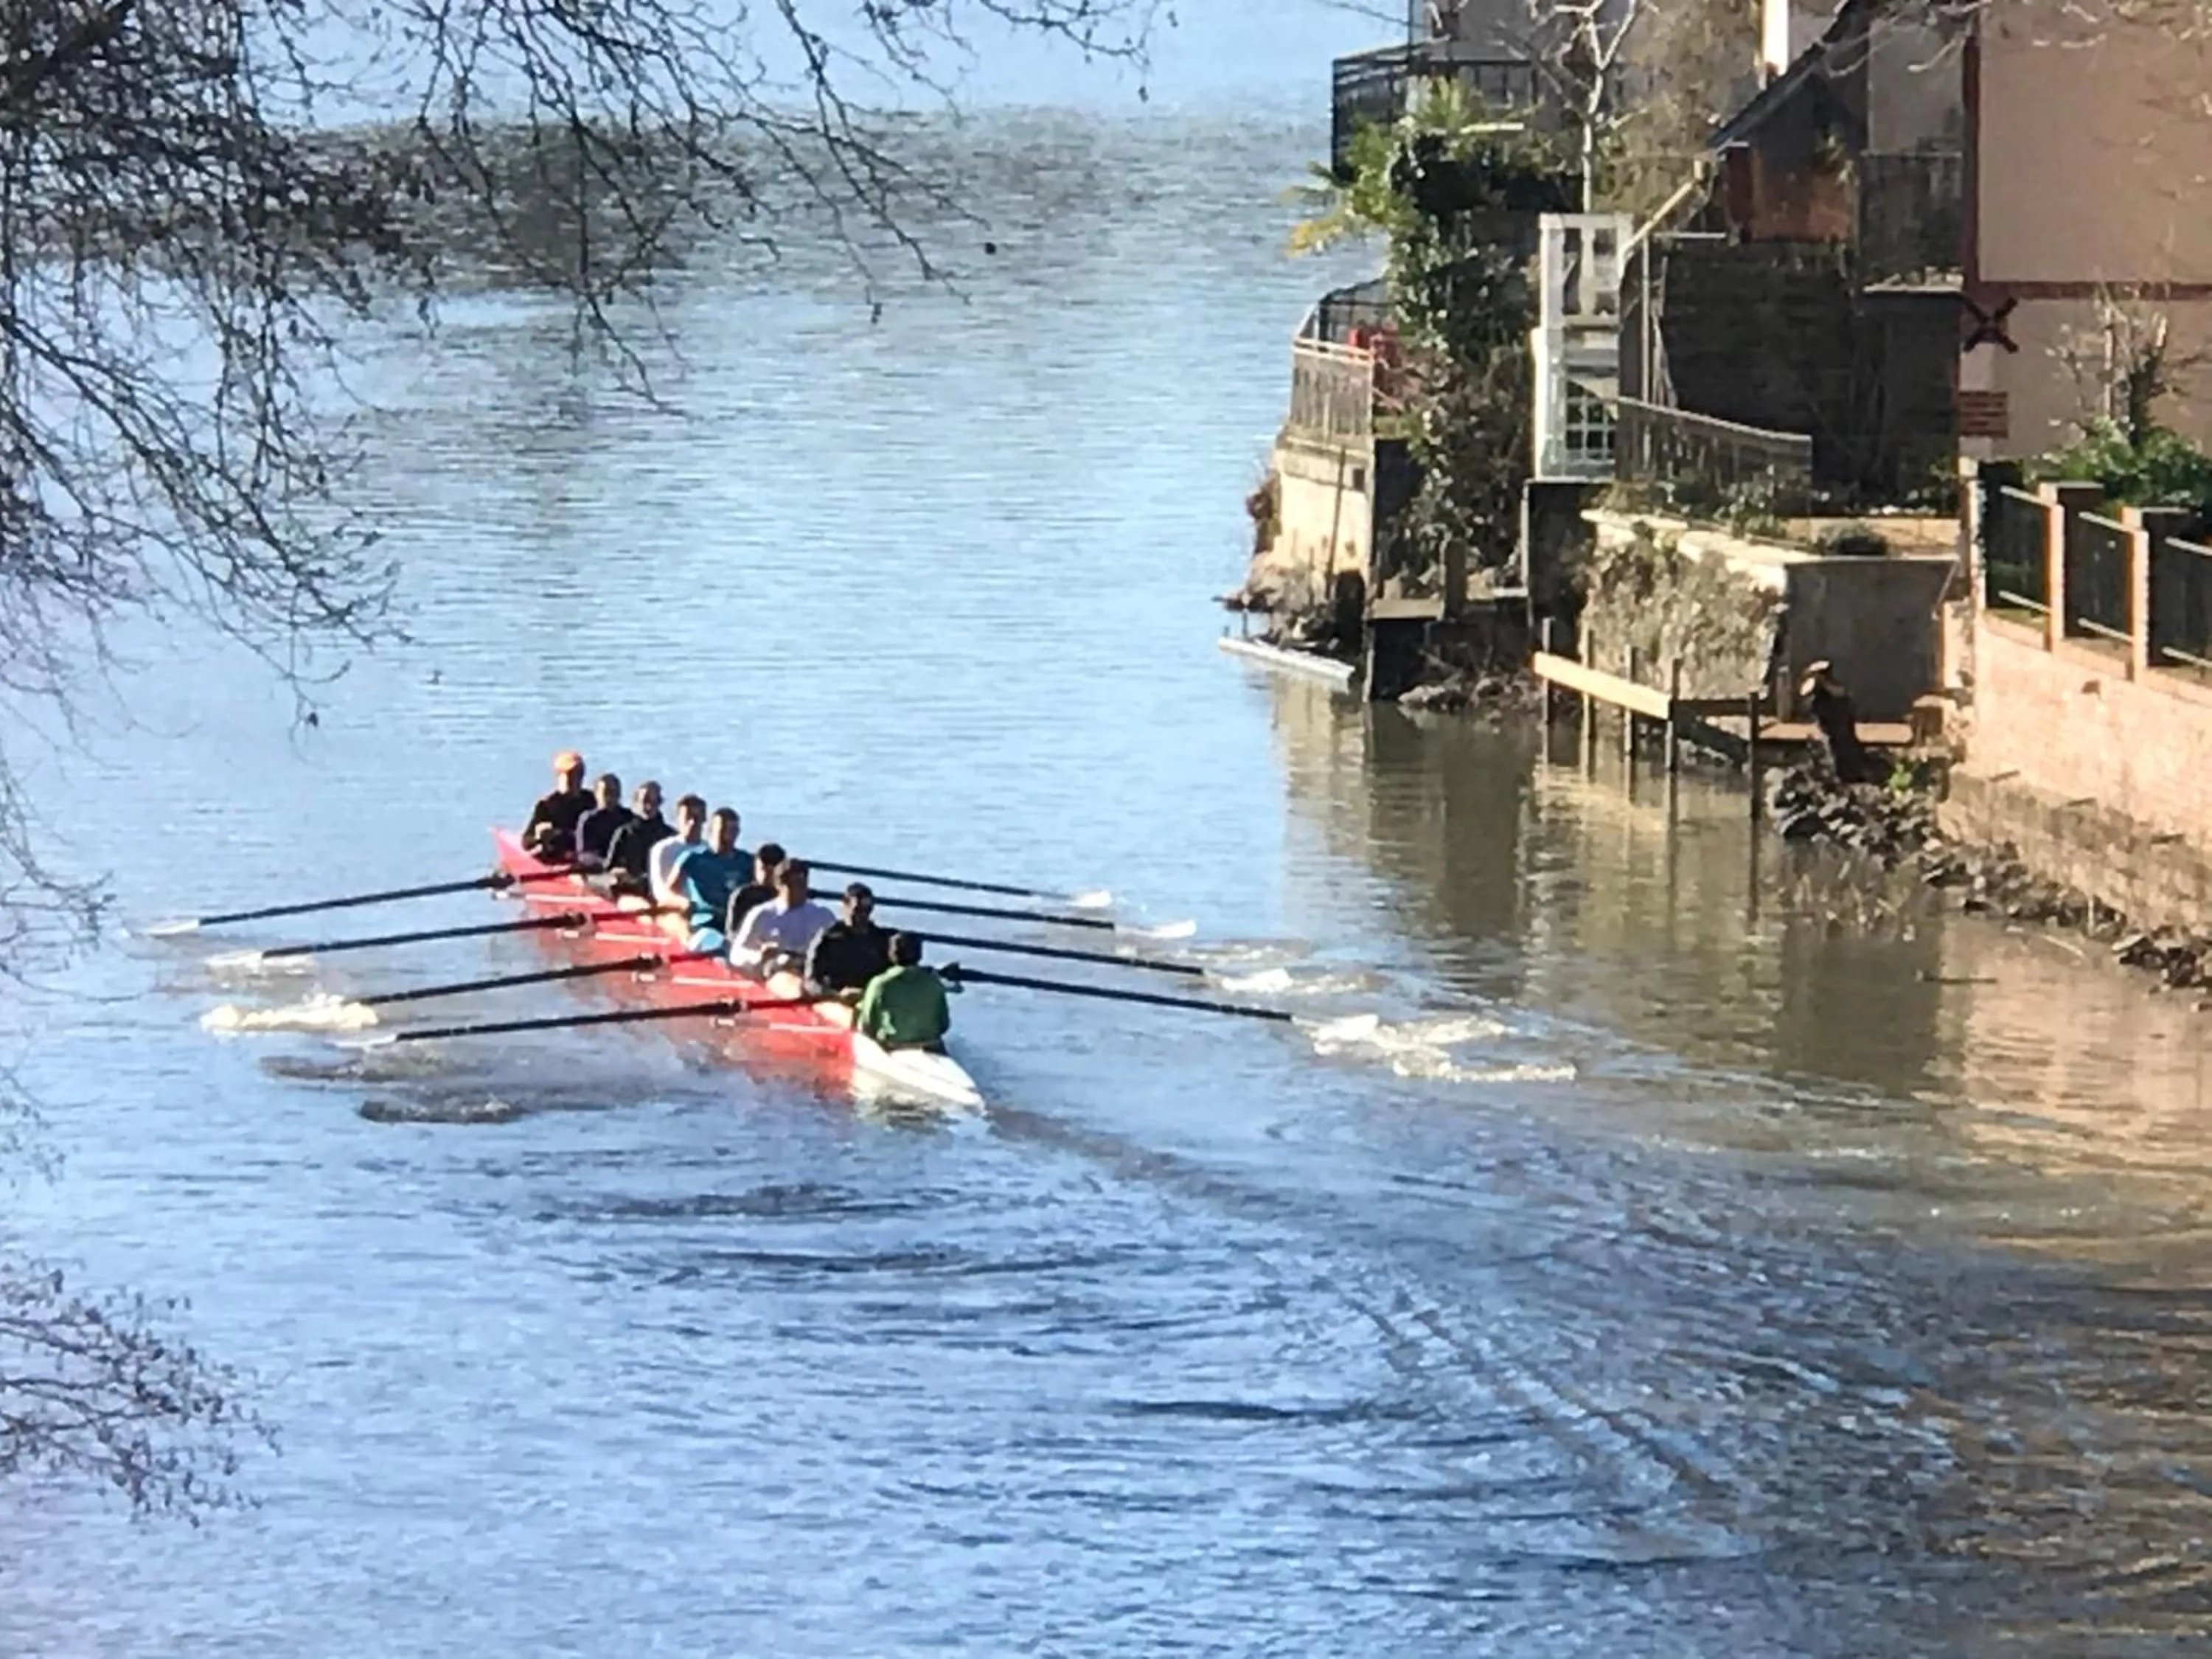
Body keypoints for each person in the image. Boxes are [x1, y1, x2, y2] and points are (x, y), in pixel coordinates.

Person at [728, 858, 836, 974]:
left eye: (802, 884)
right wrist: (760, 956)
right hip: (773, 973)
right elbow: (736, 955)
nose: (799, 890)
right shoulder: (762, 914)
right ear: (778, 885)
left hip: (810, 972)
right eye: (792, 885)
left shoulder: (823, 916)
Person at [855, 932, 955, 1051]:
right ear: (920, 955)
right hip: (930, 1045)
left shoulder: (880, 984)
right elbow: (944, 1025)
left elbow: (867, 1026)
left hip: (894, 1046)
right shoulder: (934, 983)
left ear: (891, 954)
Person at [675, 807, 751, 951]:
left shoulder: (747, 861)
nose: (728, 836)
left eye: (733, 830)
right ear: (711, 830)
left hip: (735, 925)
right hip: (705, 922)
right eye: (723, 830)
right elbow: (670, 892)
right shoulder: (693, 859)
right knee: (710, 940)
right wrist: (683, 903)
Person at [803, 882, 893, 998]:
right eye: (858, 910)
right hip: (837, 1003)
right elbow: (810, 981)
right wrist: (836, 995)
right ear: (845, 904)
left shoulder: (881, 940)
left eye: (867, 911)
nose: (862, 915)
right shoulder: (828, 938)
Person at [1798, 660, 1875, 785]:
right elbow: (1805, 699)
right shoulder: (1812, 689)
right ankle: (1838, 776)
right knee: (1834, 750)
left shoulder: (1835, 688)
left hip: (1839, 722)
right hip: (1828, 723)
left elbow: (1841, 695)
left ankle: (1850, 775)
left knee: (1846, 746)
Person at [522, 751, 593, 860]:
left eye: (578, 774)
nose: (573, 780)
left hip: (586, 858)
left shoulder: (591, 800)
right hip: (557, 859)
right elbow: (526, 842)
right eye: (569, 775)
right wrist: (538, 837)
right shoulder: (547, 805)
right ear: (559, 777)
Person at [603, 781, 671, 892]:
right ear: (636, 802)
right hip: (631, 889)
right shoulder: (624, 832)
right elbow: (609, 868)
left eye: (654, 802)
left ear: (660, 803)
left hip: (662, 889)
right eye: (645, 801)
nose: (649, 806)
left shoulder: (669, 835)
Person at [647, 794, 709, 908]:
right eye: (688, 817)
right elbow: (660, 892)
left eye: (697, 817)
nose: (692, 823)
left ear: (705, 819)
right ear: (678, 819)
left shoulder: (709, 850)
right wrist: (683, 903)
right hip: (673, 910)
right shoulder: (663, 849)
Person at [720, 841, 787, 941]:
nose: (766, 876)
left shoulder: (788, 896)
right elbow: (732, 933)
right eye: (763, 869)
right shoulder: (744, 896)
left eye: (770, 871)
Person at [573, 773, 632, 871]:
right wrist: (607, 863)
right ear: (596, 794)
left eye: (615, 793)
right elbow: (583, 855)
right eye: (606, 792)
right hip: (597, 871)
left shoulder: (628, 818)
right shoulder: (589, 819)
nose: (611, 797)